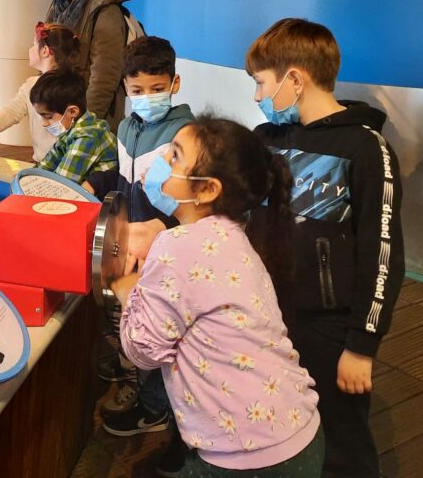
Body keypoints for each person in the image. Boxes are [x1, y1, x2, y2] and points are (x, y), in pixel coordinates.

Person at [112, 116, 324, 477]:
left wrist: (124, 284)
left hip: (244, 454)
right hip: (297, 431)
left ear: (207, 189)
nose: (161, 159)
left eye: (175, 156)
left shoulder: (178, 245)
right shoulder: (234, 235)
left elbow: (143, 349)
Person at [244, 18, 404, 478]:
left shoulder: (366, 148)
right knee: (274, 421)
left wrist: (362, 345)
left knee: (341, 441)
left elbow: (384, 251)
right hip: (267, 317)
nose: (258, 97)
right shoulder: (266, 139)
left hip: (331, 329)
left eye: (261, 84)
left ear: (295, 79)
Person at [85, 37, 195, 472]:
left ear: (175, 83)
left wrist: (163, 232)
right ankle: (145, 393)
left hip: (166, 250)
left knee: (164, 333)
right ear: (125, 90)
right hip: (133, 247)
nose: (147, 98)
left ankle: (157, 410)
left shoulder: (186, 135)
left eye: (156, 87)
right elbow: (127, 175)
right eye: (137, 90)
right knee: (140, 325)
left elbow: (189, 203)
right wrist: (99, 179)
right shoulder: (126, 127)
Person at [44, 0, 135, 132]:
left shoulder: (105, 13)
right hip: (65, 113)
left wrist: (84, 126)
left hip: (94, 120)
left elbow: (104, 78)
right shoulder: (58, 7)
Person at [0, 21, 79, 161]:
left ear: (45, 51)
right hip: (46, 162)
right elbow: (12, 111)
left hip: (64, 162)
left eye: (34, 45)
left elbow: (12, 111)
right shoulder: (34, 84)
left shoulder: (67, 87)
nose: (30, 49)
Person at [30, 69, 117, 184]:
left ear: (72, 112)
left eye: (48, 116)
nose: (44, 123)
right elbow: (45, 166)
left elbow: (62, 184)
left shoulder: (87, 137)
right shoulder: (71, 130)